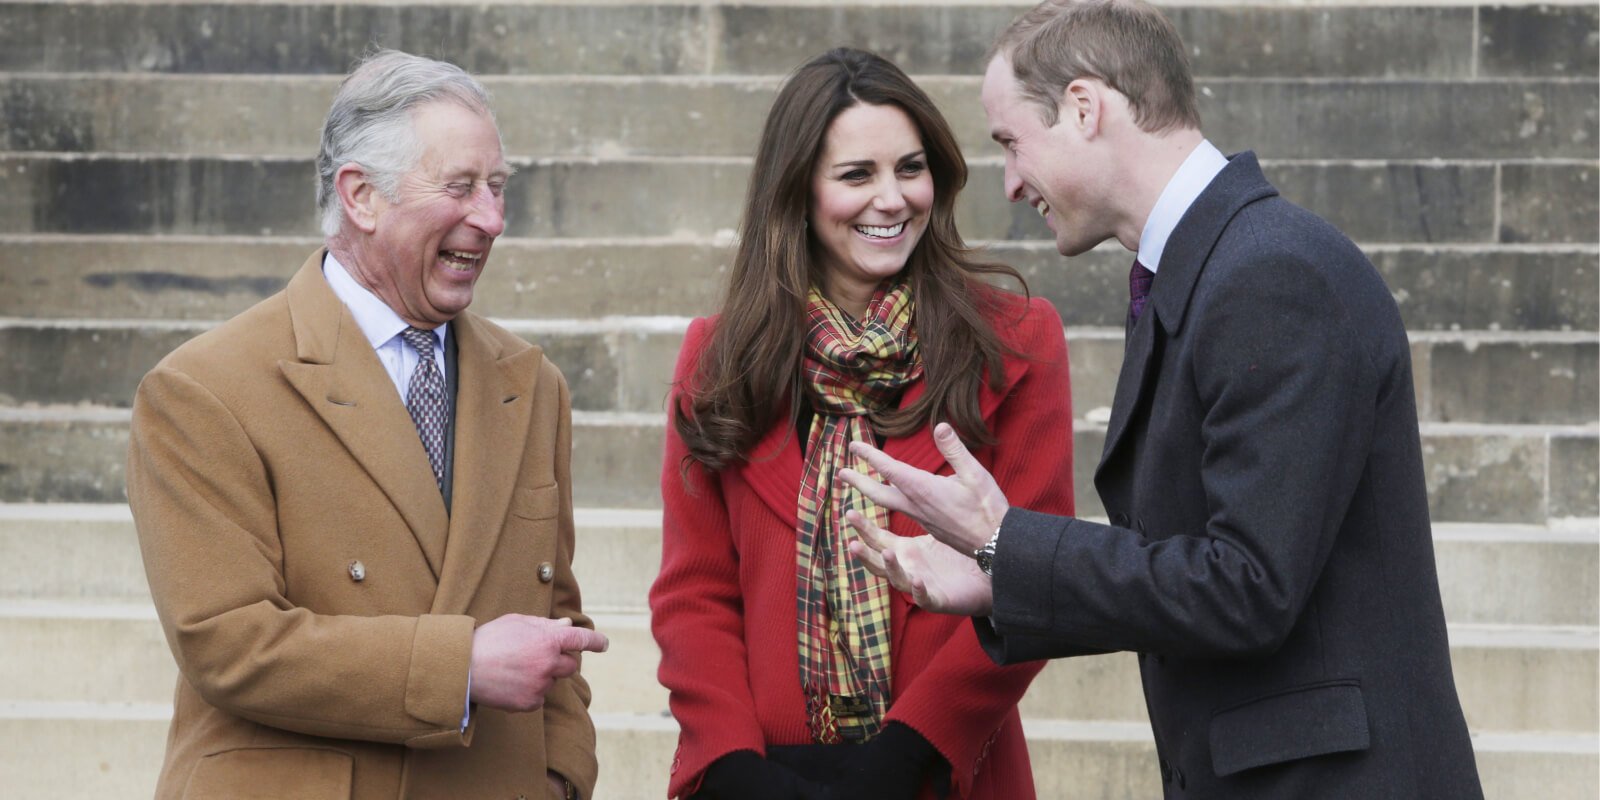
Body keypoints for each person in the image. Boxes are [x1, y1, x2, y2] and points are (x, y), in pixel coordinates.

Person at [840, 2, 1484, 798]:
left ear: (1084, 108)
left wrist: (1009, 542)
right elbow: (1195, 573)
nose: (1008, 182)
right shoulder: (1213, 267)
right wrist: (999, 575)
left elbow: (1246, 587)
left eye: (1011, 142)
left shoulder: (1272, 274)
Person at [126, 50, 607, 800]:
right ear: (362, 196)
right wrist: (462, 669)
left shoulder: (533, 385)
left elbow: (558, 615)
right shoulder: (204, 388)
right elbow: (226, 641)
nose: (491, 218)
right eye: (461, 187)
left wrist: (561, 777)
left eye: (498, 187)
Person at [648, 48, 1076, 800]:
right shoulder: (717, 358)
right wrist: (735, 767)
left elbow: (1034, 579)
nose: (892, 199)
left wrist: (909, 752)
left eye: (910, 169)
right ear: (799, 192)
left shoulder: (1018, 340)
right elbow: (694, 593)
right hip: (762, 779)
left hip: (941, 772)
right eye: (856, 176)